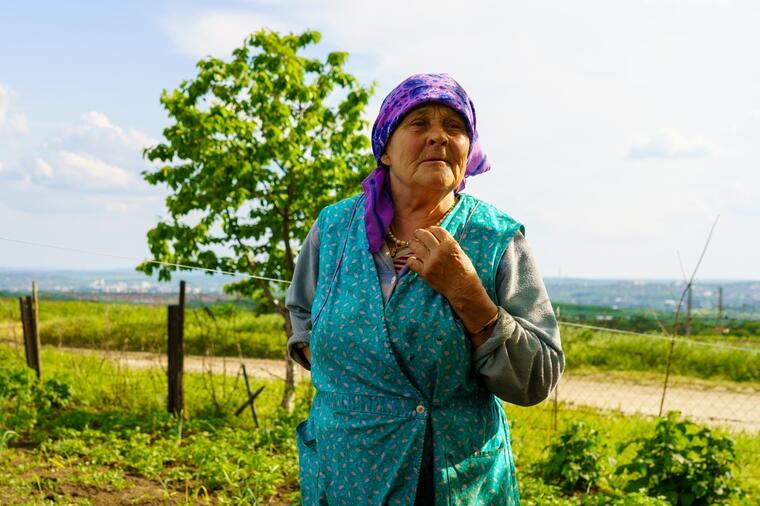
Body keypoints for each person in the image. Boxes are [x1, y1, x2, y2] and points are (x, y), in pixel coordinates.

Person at [286, 73, 564, 505]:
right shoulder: (334, 229)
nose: (438, 136)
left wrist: (468, 293)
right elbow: (302, 313)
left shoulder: (495, 238)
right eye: (419, 124)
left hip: (451, 476)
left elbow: (538, 377)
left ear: (468, 150)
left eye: (454, 127)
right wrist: (347, 385)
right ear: (385, 150)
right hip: (346, 469)